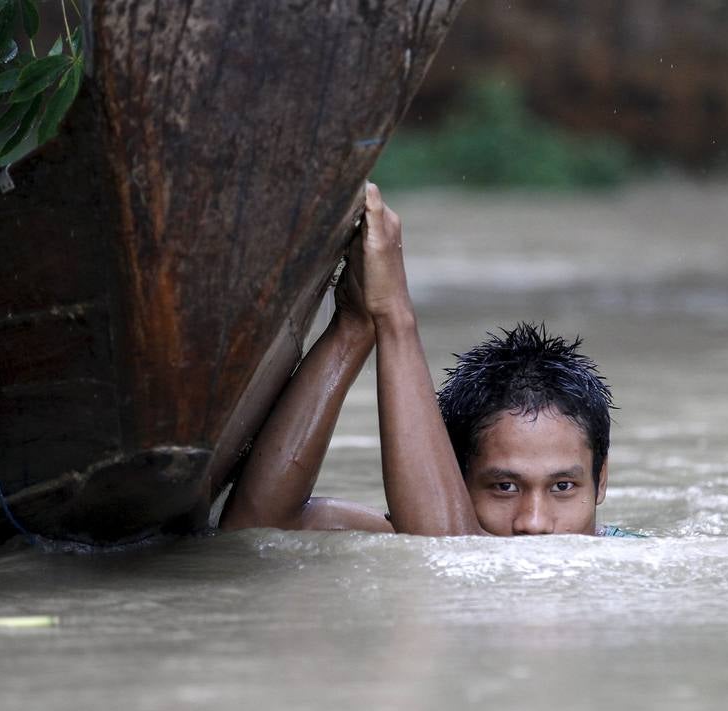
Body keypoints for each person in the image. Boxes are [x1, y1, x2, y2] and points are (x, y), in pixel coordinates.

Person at [219, 183, 624, 538]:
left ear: (600, 481)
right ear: (453, 479)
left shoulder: (635, 561)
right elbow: (257, 526)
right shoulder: (426, 524)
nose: (533, 523)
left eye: (563, 487)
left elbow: (449, 549)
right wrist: (355, 325)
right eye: (504, 487)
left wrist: (394, 314)